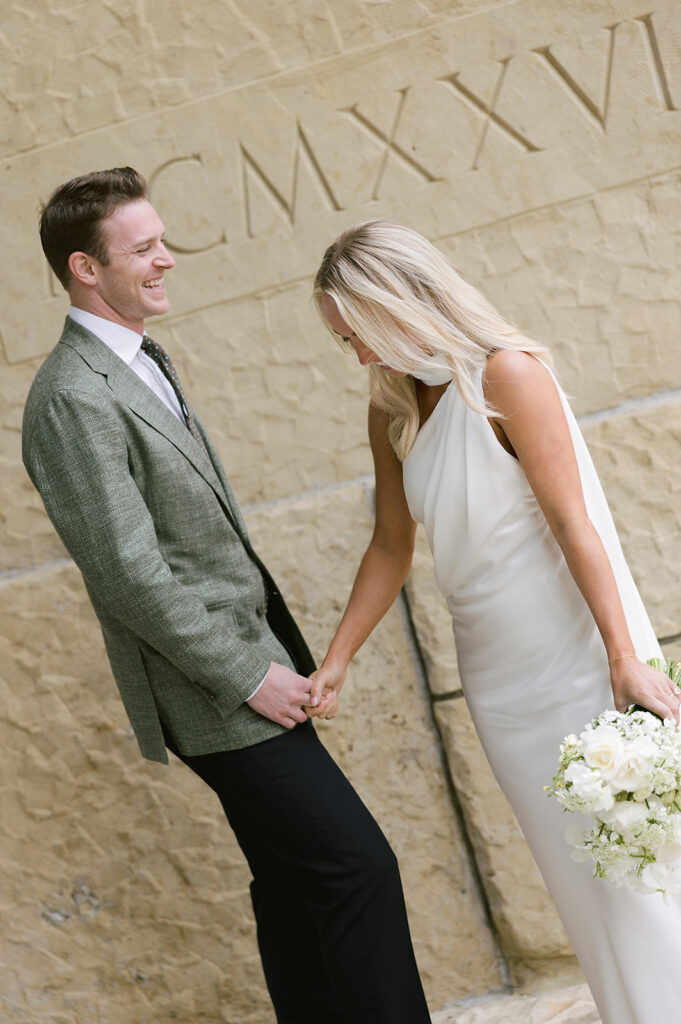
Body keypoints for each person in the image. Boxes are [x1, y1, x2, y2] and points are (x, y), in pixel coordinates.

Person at [22, 172, 432, 1024]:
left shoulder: (135, 361)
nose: (166, 258)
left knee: (293, 884)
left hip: (246, 665)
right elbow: (128, 572)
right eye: (142, 249)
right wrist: (249, 674)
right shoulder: (71, 395)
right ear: (84, 269)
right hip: (215, 687)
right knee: (355, 868)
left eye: (159, 240)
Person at [308, 219, 681, 1024]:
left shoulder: (504, 375)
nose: (360, 356)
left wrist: (623, 654)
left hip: (579, 657)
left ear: (402, 303)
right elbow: (389, 545)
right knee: (580, 883)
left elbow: (571, 521)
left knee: (637, 871)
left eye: (360, 334)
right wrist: (336, 658)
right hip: (497, 682)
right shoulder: (391, 413)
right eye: (345, 343)